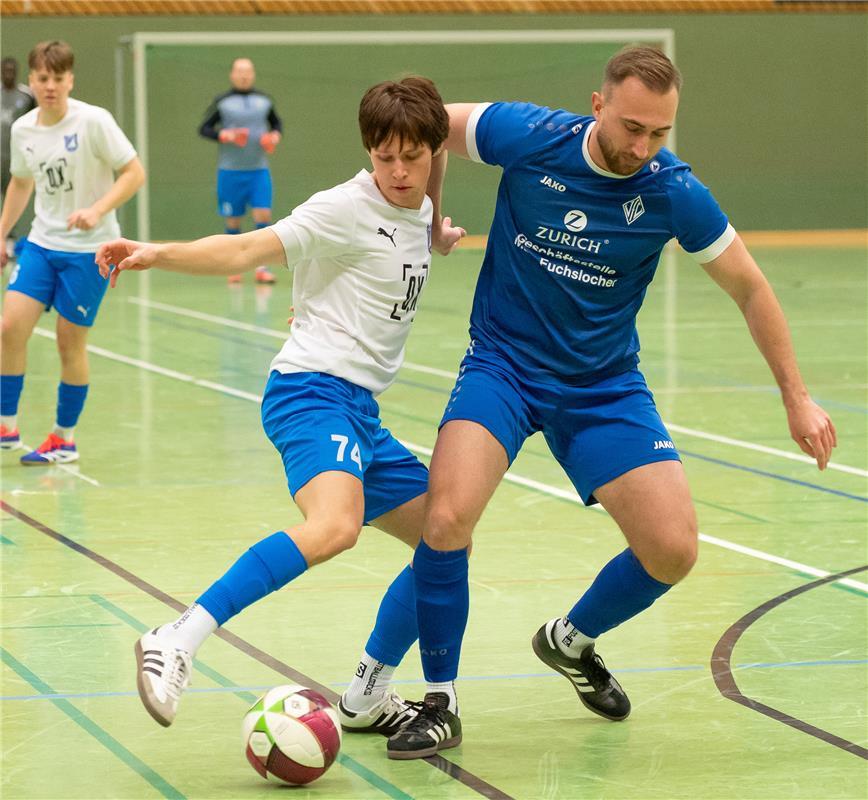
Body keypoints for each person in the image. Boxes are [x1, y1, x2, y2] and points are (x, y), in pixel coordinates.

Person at [382, 45, 837, 759]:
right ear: (598, 106)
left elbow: (750, 286)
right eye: (631, 128)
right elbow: (432, 126)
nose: (642, 146)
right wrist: (432, 218)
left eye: (659, 133)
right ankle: (440, 699)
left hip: (601, 386)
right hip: (502, 366)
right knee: (445, 516)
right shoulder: (530, 135)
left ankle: (571, 640)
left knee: (673, 548)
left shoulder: (672, 190)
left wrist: (798, 399)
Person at [96, 77, 466, 736]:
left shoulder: (417, 199)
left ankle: (368, 693)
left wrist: (435, 232)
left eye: (414, 157)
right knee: (334, 526)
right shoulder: (343, 209)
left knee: (445, 537)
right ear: (369, 153)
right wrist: (155, 253)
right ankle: (177, 636)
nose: (400, 172)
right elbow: (245, 248)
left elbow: (427, 183)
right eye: (385, 159)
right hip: (311, 391)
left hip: (360, 410)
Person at [0, 40, 145, 464]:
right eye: (43, 79)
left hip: (91, 251)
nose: (51, 87)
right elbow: (21, 183)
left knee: (69, 342)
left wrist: (97, 209)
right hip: (43, 244)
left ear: (70, 80)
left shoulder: (93, 121)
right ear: (31, 80)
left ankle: (64, 437)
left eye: (59, 79)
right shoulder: (23, 128)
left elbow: (134, 173)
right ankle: (6, 425)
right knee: (9, 328)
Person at [199, 57, 283, 285]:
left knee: (263, 215)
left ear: (253, 74)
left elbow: (277, 124)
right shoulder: (222, 102)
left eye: (248, 71)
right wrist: (224, 135)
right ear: (232, 75)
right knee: (233, 220)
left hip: (258, 170)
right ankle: (233, 266)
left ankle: (262, 268)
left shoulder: (264, 100)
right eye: (239, 71)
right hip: (230, 171)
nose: (244, 75)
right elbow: (204, 128)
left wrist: (274, 136)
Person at [1, 57, 37, 257]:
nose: (8, 73)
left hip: (15, 160)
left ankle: (10, 245)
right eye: (5, 70)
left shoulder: (26, 95)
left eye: (11, 70)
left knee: (12, 198)